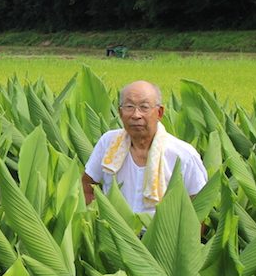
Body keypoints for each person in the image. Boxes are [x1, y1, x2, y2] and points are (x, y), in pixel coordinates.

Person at [82, 80, 206, 214]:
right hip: (114, 232)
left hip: (161, 233)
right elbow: (86, 184)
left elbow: (199, 207)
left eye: (144, 107)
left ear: (159, 113)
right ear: (120, 112)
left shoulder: (183, 155)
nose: (136, 115)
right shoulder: (108, 143)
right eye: (129, 106)